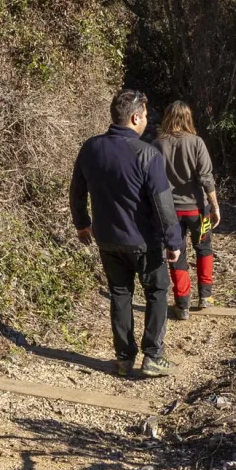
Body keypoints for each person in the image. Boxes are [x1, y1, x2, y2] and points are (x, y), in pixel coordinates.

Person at [70, 89, 184, 378]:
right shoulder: (147, 153)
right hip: (144, 241)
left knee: (120, 294)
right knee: (157, 292)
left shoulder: (91, 148)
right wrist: (173, 241)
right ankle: (153, 356)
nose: (146, 120)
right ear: (135, 117)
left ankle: (124, 358)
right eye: (145, 116)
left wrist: (82, 224)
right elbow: (162, 203)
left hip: (107, 238)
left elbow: (77, 190)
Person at [152, 101, 220, 319]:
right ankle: (206, 296)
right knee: (204, 247)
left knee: (176, 253)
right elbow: (206, 178)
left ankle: (182, 304)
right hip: (198, 210)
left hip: (170, 212)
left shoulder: (157, 144)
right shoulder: (197, 142)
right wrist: (215, 206)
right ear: (188, 118)